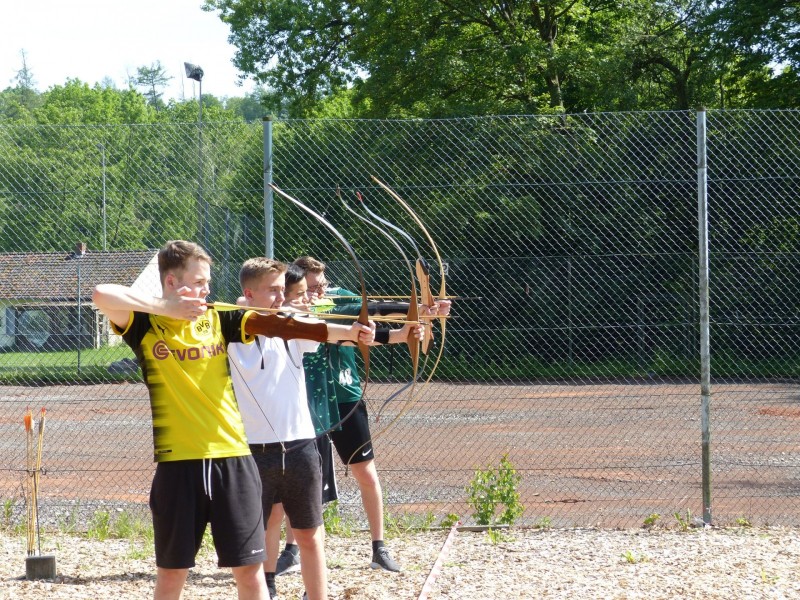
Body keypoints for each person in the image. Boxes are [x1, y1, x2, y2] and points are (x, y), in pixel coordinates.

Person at [91, 240, 331, 600]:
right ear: (172, 283)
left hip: (232, 458)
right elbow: (100, 293)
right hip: (178, 463)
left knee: (250, 572)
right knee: (172, 574)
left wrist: (365, 333)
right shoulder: (145, 325)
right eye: (200, 282)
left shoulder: (218, 318)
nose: (207, 290)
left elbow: (288, 327)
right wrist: (164, 307)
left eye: (207, 282)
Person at [274, 256, 448, 575]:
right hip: (305, 402)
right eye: (310, 288)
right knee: (298, 478)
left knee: (365, 473)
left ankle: (379, 548)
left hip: (344, 398)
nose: (320, 292)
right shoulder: (291, 315)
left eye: (322, 284)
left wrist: (424, 310)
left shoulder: (341, 299)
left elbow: (379, 311)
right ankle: (292, 548)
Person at [228, 257, 375, 600]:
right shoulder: (231, 326)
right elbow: (234, 309)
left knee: (309, 536)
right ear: (248, 293)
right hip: (254, 452)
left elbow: (324, 331)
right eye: (273, 291)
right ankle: (268, 589)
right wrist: (254, 310)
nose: (281, 298)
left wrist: (356, 332)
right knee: (255, 538)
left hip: (300, 448)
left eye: (284, 290)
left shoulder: (294, 324)